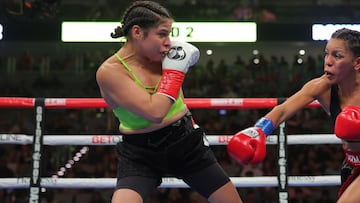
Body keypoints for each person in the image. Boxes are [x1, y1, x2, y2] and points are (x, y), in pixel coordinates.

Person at [95, 1, 243, 203]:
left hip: (185, 142)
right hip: (140, 153)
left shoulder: (163, 55)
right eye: (162, 34)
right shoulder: (110, 72)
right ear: (137, 32)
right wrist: (175, 71)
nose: (168, 42)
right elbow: (155, 112)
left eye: (169, 34)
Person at [227, 27, 360, 203]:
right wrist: (258, 131)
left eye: (337, 56)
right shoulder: (322, 87)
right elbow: (282, 110)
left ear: (357, 63)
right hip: (350, 165)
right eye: (326, 53)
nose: (328, 61)